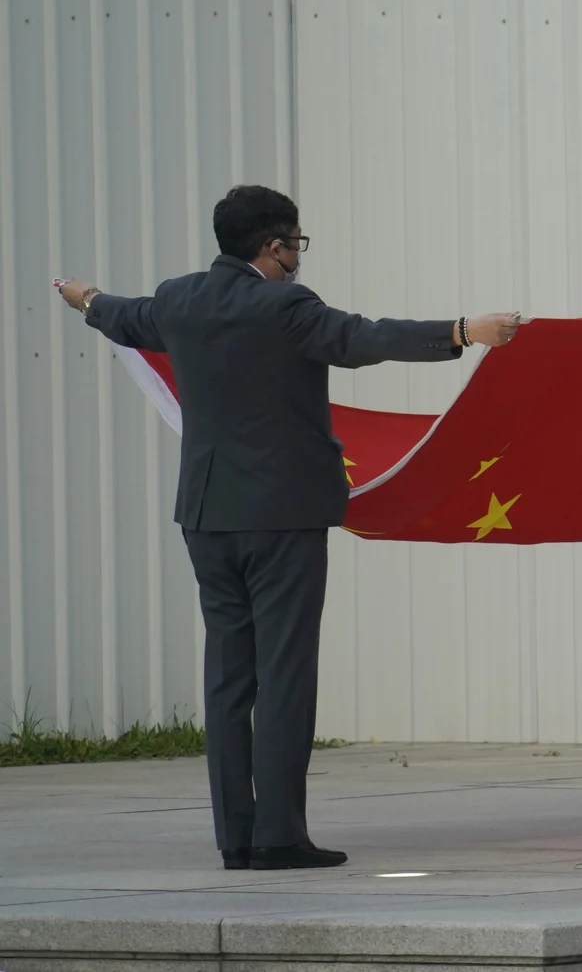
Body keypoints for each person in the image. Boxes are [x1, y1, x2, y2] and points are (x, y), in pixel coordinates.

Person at [56, 185, 522, 870]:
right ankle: (279, 835)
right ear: (274, 246)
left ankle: (235, 838)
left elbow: (122, 316)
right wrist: (461, 331)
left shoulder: (181, 299)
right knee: (284, 673)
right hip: (284, 516)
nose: (298, 257)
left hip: (208, 514)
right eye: (295, 244)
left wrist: (85, 298)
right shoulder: (285, 306)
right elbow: (363, 338)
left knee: (228, 678)